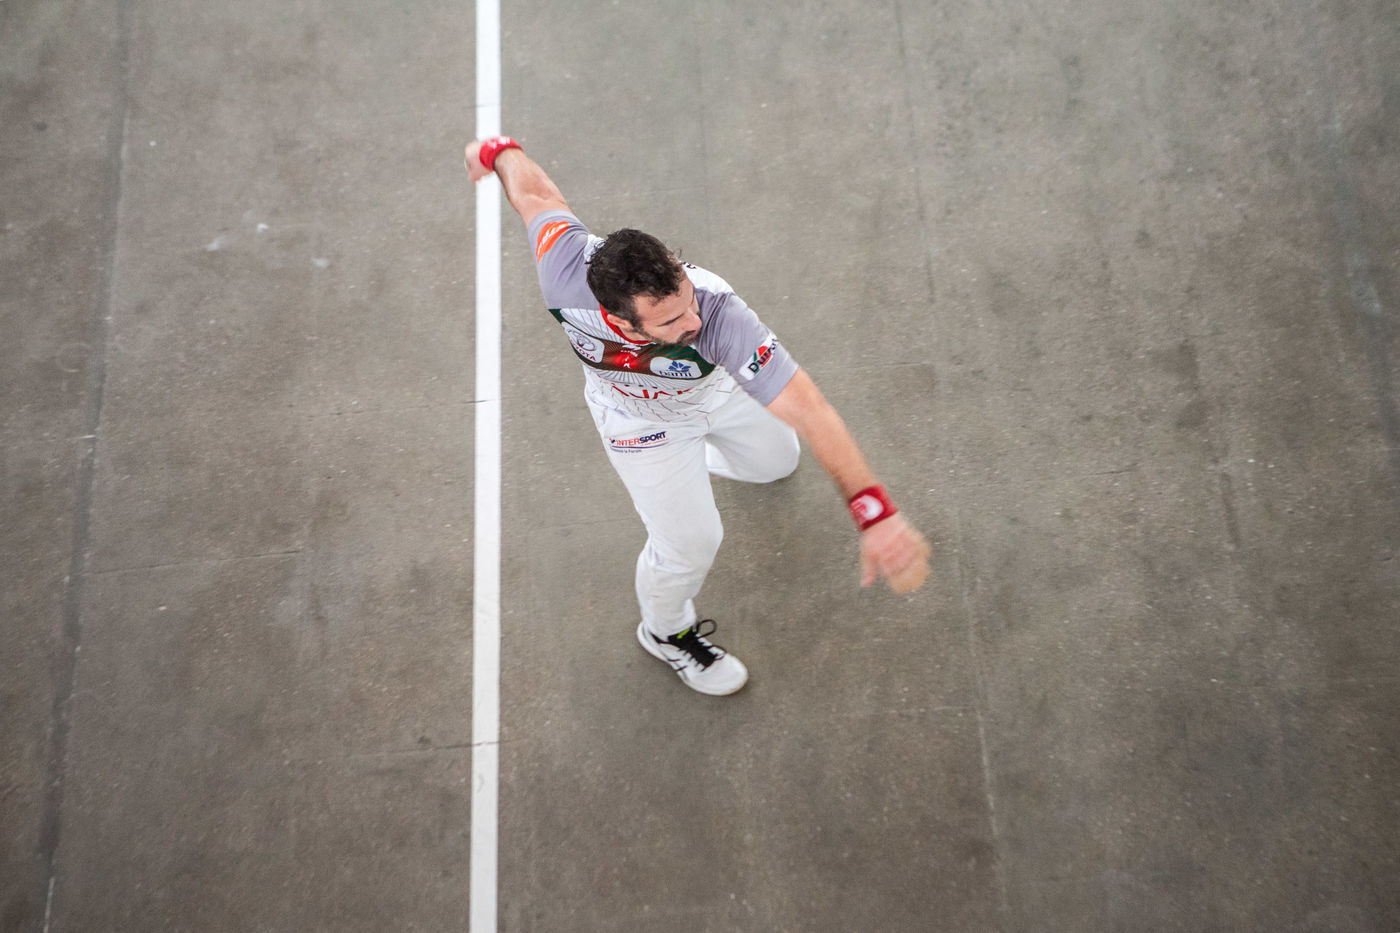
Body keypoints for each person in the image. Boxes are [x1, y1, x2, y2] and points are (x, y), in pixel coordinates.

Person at [464, 136, 931, 696]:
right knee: (691, 543)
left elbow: (809, 408)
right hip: (639, 424)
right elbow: (535, 195)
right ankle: (665, 632)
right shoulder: (563, 271)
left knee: (778, 463)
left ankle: (694, 464)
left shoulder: (719, 315)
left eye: (687, 297)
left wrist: (874, 511)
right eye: (669, 321)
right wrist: (498, 155)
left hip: (719, 394)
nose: (692, 322)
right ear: (620, 320)